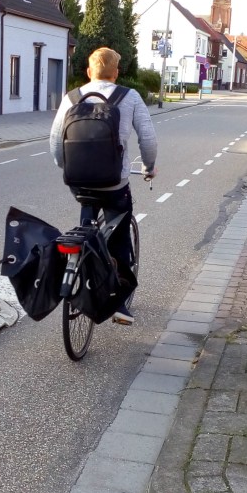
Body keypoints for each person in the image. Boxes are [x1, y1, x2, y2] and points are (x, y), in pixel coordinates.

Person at [49, 47, 158, 325]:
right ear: (116, 73)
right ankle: (119, 304)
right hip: (114, 185)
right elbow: (148, 139)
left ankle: (82, 269)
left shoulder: (72, 97)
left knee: (86, 229)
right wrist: (148, 167)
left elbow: (54, 142)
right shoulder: (129, 96)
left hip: (80, 183)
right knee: (119, 238)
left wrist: (69, 168)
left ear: (89, 72)